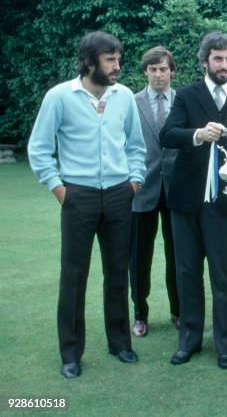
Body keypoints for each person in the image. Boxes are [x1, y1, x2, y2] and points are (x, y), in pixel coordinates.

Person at [28, 31, 146, 379]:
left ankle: (120, 343)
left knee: (117, 272)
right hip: (77, 195)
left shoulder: (124, 96)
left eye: (118, 59)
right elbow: (38, 149)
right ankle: (70, 353)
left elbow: (136, 145)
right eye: (110, 60)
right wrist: (59, 189)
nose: (117, 66)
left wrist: (134, 181)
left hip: (118, 194)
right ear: (90, 61)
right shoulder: (59, 97)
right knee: (74, 276)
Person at [159, 31, 227, 368]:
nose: (224, 65)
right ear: (205, 61)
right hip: (186, 200)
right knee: (187, 273)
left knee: (225, 272)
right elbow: (167, 135)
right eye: (218, 59)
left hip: (226, 203)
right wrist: (198, 135)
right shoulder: (187, 95)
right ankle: (189, 341)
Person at [130, 46, 180, 338]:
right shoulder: (131, 102)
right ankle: (140, 315)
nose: (158, 74)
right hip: (141, 190)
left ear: (172, 71)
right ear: (145, 72)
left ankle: (178, 311)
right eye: (153, 69)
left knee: (178, 256)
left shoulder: (183, 100)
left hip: (176, 191)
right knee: (138, 258)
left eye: (163, 69)